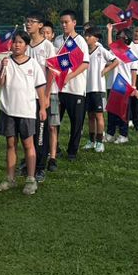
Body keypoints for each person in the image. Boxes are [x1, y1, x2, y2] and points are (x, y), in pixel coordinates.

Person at [0, 30, 44, 196]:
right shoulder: (4, 62)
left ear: (26, 45)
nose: (17, 45)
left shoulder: (33, 64)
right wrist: (3, 69)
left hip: (27, 110)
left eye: (21, 42)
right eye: (15, 42)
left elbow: (40, 87)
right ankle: (10, 178)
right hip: (8, 109)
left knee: (28, 144)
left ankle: (31, 179)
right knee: (10, 144)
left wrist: (43, 107)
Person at [54, 9, 89, 163]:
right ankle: (54, 148)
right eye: (61, 22)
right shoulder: (58, 41)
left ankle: (72, 151)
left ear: (74, 23)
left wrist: (69, 76)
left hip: (76, 89)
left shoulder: (80, 41)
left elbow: (85, 64)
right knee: (55, 121)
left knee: (76, 122)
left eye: (66, 22)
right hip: (59, 89)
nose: (63, 25)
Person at [24, 13, 56, 180]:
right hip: (26, 96)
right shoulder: (25, 45)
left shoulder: (47, 46)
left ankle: (41, 167)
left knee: (41, 131)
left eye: (32, 22)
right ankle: (29, 162)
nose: (28, 24)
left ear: (40, 25)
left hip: (40, 95)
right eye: (27, 21)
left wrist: (47, 93)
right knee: (28, 132)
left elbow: (51, 70)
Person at [81, 25, 116, 153]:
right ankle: (91, 140)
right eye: (85, 35)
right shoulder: (84, 52)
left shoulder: (101, 50)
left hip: (98, 88)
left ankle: (100, 142)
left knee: (99, 116)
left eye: (89, 36)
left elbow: (115, 60)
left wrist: (106, 69)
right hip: (87, 89)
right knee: (90, 115)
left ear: (95, 38)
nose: (86, 38)